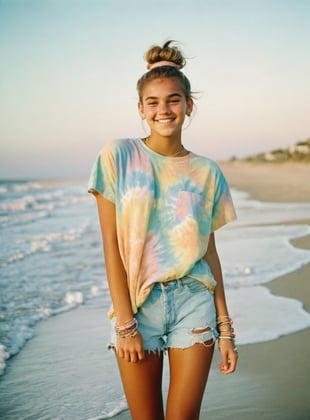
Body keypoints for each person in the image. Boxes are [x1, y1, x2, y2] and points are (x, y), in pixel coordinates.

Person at [88, 40, 238, 420]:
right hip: (139, 307)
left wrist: (226, 327)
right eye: (152, 102)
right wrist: (125, 324)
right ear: (140, 108)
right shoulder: (117, 156)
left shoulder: (207, 171)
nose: (163, 109)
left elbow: (208, 251)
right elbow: (111, 247)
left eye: (173, 100)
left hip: (194, 301)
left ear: (189, 105)